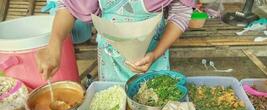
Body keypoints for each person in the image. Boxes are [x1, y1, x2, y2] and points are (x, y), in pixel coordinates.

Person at [36, 0, 194, 81]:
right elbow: (68, 8)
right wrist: (54, 44)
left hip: (154, 55)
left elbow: (181, 11)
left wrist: (155, 53)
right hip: (111, 58)